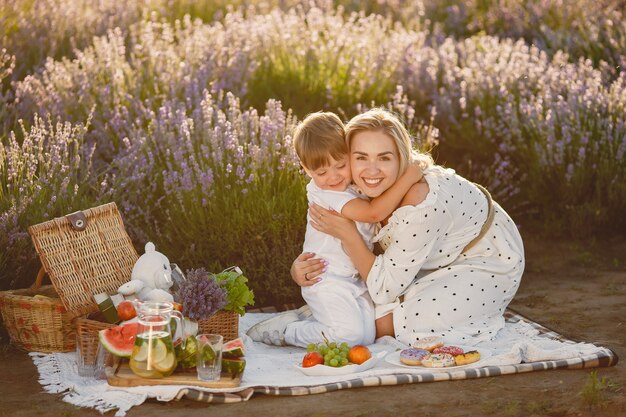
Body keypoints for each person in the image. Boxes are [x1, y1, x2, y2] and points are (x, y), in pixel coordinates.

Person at [292, 108, 525, 347]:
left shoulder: (421, 203)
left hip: (486, 260)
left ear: (401, 157)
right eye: (361, 157)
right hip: (430, 258)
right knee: (363, 319)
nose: (371, 170)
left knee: (382, 326)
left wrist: (348, 234)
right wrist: (299, 268)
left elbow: (382, 288)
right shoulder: (344, 177)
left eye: (384, 157)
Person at [247, 111, 422, 347]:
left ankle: (308, 318)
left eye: (340, 165)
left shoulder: (351, 186)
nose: (333, 177)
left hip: (354, 279)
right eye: (321, 172)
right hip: (327, 278)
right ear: (306, 170)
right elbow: (373, 213)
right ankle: (286, 331)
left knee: (367, 336)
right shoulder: (326, 194)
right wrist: (410, 176)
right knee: (349, 337)